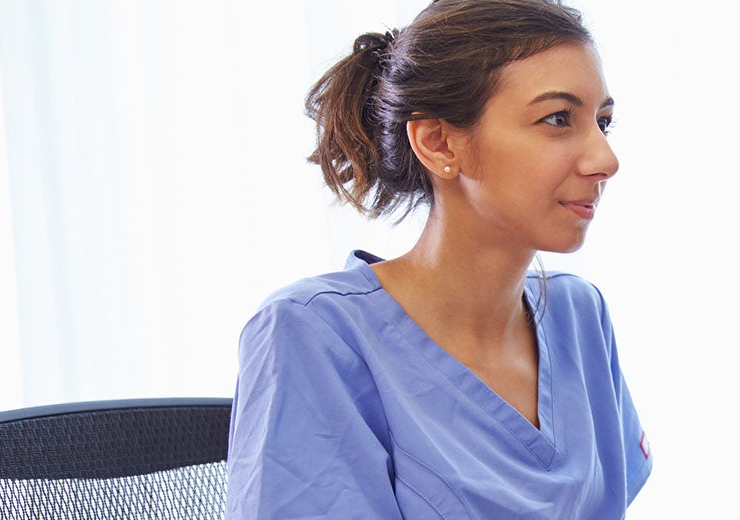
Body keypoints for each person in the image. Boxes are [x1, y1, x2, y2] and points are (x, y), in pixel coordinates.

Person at [224, 0, 651, 517]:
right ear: (439, 142)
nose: (606, 159)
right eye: (557, 119)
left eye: (603, 122)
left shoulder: (579, 317)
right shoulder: (314, 334)